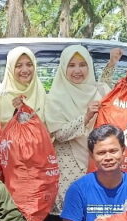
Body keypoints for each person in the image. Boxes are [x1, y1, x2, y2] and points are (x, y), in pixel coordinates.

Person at [44, 45, 111, 211]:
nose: (77, 70)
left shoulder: (100, 92)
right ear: (63, 67)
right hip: (69, 165)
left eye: (82, 65)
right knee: (70, 215)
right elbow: (58, 134)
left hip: (99, 163)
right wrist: (86, 117)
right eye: (71, 65)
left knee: (97, 216)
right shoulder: (55, 97)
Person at [0, 47, 48, 127]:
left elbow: (48, 131)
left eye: (29, 65)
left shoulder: (41, 94)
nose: (25, 70)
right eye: (19, 66)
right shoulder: (1, 98)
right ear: (11, 69)